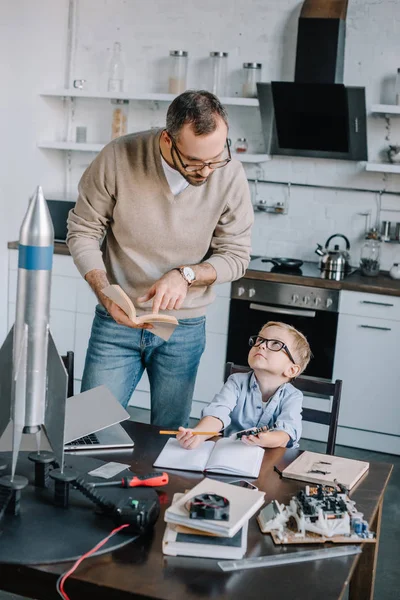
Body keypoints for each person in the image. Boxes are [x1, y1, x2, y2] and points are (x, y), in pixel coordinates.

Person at [67, 90, 254, 428]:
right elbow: (82, 231)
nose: (208, 171)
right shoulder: (118, 158)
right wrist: (104, 291)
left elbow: (236, 256)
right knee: (87, 430)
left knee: (169, 438)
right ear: (167, 140)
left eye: (217, 158)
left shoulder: (230, 175)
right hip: (116, 323)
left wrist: (186, 275)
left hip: (183, 328)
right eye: (196, 162)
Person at [176, 321, 311, 449]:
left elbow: (286, 433)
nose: (262, 345)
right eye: (260, 340)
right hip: (231, 453)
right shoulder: (236, 382)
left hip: (270, 460)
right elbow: (217, 413)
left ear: (292, 370)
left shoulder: (293, 396)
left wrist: (266, 439)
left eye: (276, 343)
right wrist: (198, 434)